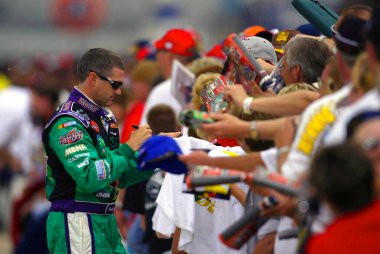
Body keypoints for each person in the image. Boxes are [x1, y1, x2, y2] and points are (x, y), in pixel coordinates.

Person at [42, 48, 155, 254]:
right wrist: (129, 147)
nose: (120, 92)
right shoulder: (68, 122)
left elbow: (117, 176)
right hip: (76, 219)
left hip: (105, 220)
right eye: (115, 84)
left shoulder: (105, 117)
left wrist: (158, 156)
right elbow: (91, 176)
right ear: (93, 78)